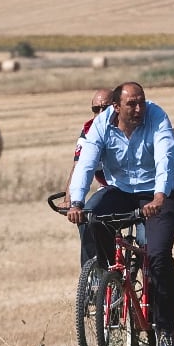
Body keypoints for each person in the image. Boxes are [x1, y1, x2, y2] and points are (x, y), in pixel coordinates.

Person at [68, 82, 174, 346]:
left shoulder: (156, 116)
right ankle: (111, 278)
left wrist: (159, 197)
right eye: (131, 104)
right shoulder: (101, 126)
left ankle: (166, 329)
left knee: (158, 256)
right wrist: (76, 202)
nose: (139, 108)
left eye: (141, 102)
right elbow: (86, 163)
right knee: (94, 218)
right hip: (121, 190)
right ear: (116, 107)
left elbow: (166, 157)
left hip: (158, 192)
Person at [66, 87, 114, 266]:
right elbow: (79, 165)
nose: (100, 113)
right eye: (96, 109)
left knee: (145, 239)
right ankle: (93, 274)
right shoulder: (88, 130)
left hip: (136, 189)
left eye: (105, 108)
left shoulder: (127, 126)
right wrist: (70, 200)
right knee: (86, 218)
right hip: (108, 189)